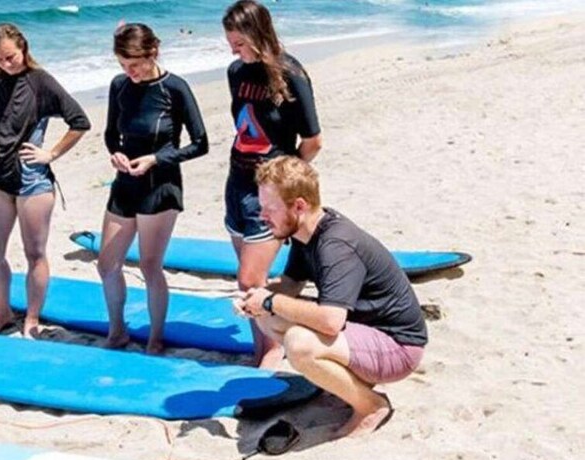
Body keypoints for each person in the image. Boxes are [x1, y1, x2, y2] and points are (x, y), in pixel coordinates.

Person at [235, 156, 426, 437]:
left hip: (398, 348)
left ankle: (371, 406)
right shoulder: (306, 230)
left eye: (270, 208)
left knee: (300, 344)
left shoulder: (335, 245)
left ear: (299, 206)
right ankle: (345, 387)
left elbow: (331, 321)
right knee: (269, 319)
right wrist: (258, 298)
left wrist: (269, 301)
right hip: (366, 332)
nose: (262, 215)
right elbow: (290, 285)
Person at [0, 23, 91, 337]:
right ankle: (1, 316)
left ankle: (32, 320)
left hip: (33, 183)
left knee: (34, 253)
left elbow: (79, 121)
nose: (5, 63)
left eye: (10, 56)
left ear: (23, 49)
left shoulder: (41, 82)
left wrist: (50, 154)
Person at [222, 0, 323, 367]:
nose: (234, 50)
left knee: (250, 279)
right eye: (230, 43)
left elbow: (313, 140)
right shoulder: (236, 72)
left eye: (239, 42)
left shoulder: (291, 74)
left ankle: (274, 349)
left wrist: (283, 180)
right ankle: (262, 347)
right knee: (249, 280)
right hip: (237, 184)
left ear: (258, 34)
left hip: (271, 193)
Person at [98, 23, 208, 354]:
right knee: (107, 264)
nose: (128, 72)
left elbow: (200, 143)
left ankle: (155, 336)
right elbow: (109, 134)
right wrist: (115, 153)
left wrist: (157, 159)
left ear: (153, 53)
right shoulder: (119, 85)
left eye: (134, 64)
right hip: (125, 184)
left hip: (160, 186)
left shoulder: (174, 88)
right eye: (122, 65)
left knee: (149, 265)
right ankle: (117, 331)